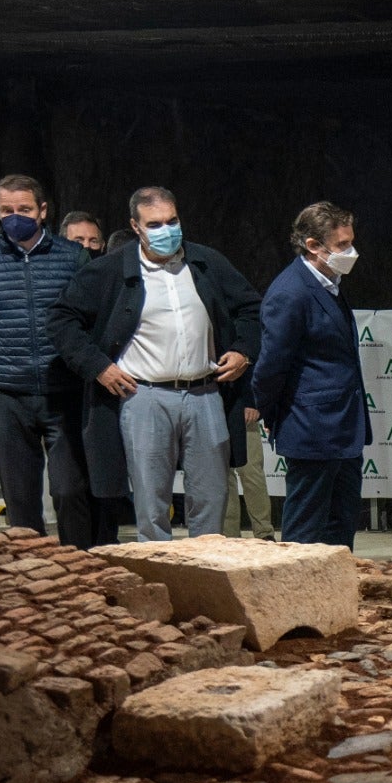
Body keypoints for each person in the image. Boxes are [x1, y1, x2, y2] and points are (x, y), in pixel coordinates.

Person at [48, 186, 261, 541]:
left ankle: (206, 580)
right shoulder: (111, 269)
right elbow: (61, 319)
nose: (167, 230)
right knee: (151, 504)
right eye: (155, 223)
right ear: (136, 226)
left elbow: (251, 308)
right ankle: (160, 580)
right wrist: (98, 366)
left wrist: (243, 351)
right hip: (144, 397)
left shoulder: (207, 262)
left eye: (172, 221)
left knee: (212, 499)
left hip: (205, 394)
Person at [0, 174, 94, 547]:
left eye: (24, 209)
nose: (15, 216)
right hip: (6, 394)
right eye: (6, 210)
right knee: (20, 499)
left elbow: (88, 318)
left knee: (70, 490)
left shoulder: (72, 257)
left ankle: (78, 571)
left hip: (63, 391)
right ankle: (31, 580)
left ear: (43, 210)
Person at [253, 202, 371, 548]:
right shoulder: (291, 292)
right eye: (341, 246)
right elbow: (271, 366)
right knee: (306, 529)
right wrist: (272, 414)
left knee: (341, 523)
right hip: (311, 426)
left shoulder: (329, 282)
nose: (350, 252)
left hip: (343, 427)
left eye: (350, 242)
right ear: (313, 246)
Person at [221, 395, 276, 540]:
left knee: (251, 472)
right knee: (222, 476)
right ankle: (229, 535)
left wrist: (253, 401)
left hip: (242, 405)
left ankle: (264, 533)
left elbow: (256, 372)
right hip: (212, 403)